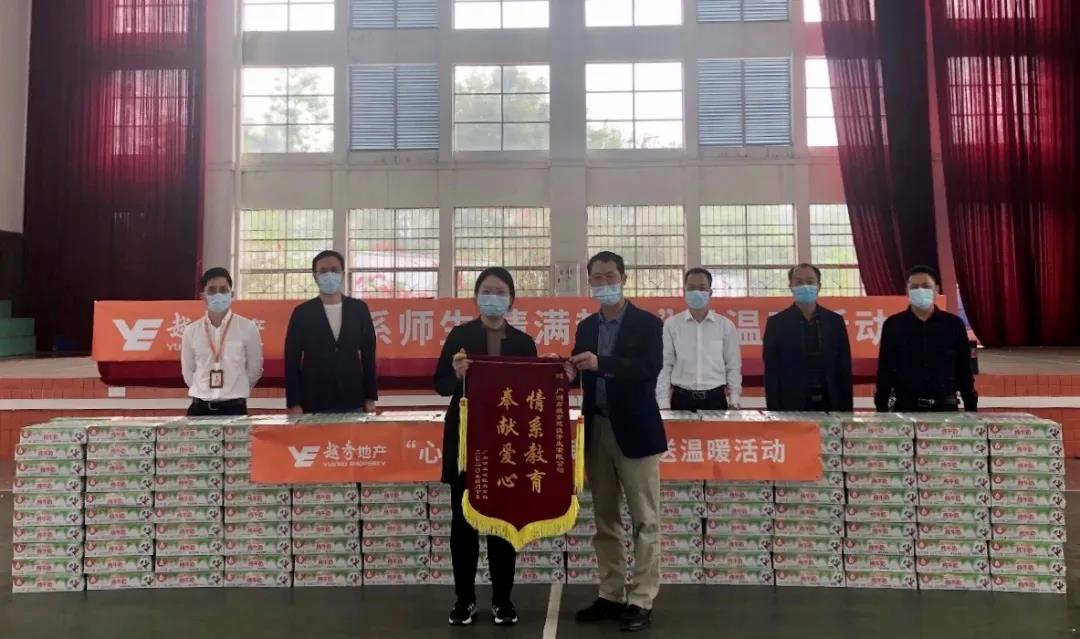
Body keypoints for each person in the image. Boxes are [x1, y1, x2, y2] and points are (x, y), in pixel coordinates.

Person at [564, 251, 665, 633]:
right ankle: (610, 593)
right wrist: (566, 370)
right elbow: (580, 369)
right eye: (597, 278)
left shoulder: (648, 324)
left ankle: (642, 599)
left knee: (645, 519)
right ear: (589, 282)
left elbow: (648, 369)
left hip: (636, 431)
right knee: (605, 520)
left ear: (624, 278)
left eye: (610, 276)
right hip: (597, 430)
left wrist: (601, 363)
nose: (604, 283)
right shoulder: (587, 326)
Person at [434, 268, 537, 627]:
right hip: (466, 441)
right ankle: (464, 599)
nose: (493, 297)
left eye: (500, 291)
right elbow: (440, 385)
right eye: (487, 291)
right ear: (476, 297)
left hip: (505, 442)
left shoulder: (523, 343)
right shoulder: (460, 336)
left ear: (511, 299)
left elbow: (532, 395)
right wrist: (456, 374)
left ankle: (502, 600)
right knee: (463, 524)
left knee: (502, 524)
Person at [284, 250, 378, 414]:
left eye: (334, 270)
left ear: (342, 273)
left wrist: (370, 397)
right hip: (314, 400)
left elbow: (368, 355)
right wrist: (294, 402)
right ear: (315, 276)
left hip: (352, 398)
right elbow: (291, 361)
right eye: (323, 271)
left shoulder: (358, 309)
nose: (329, 275)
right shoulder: (302, 313)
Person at [875, 265, 977, 412]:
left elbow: (964, 369)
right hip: (905, 408)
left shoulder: (953, 324)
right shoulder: (893, 325)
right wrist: (881, 409)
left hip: (945, 408)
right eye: (914, 287)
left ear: (936, 290)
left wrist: (971, 408)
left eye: (926, 286)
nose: (920, 290)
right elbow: (885, 370)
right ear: (907, 292)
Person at [763, 263, 854, 412]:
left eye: (810, 281)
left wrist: (847, 411)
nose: (805, 286)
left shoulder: (834, 321)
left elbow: (844, 368)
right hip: (791, 405)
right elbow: (771, 373)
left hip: (830, 403)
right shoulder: (777, 324)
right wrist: (774, 411)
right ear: (791, 286)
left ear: (819, 286)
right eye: (798, 282)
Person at [656, 268, 742, 411]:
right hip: (682, 399)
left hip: (715, 399)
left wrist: (734, 398)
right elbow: (665, 366)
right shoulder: (672, 325)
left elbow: (732, 365)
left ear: (710, 293)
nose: (696, 292)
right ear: (684, 292)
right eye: (691, 288)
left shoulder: (725, 326)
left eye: (702, 288)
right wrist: (663, 402)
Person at [180, 267, 263, 416]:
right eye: (212, 290)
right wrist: (203, 390)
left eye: (223, 290)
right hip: (200, 407)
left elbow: (254, 370)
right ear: (203, 296)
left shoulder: (247, 327)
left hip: (234, 408)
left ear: (231, 294)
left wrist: (236, 389)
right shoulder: (191, 331)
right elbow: (188, 372)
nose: (218, 294)